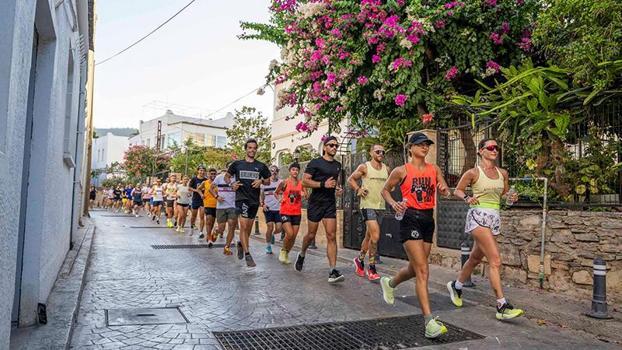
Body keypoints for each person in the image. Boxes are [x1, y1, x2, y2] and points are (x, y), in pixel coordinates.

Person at [379, 132, 451, 339]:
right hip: (410, 218)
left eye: (427, 144)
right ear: (411, 148)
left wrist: (444, 189)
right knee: (422, 270)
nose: (425, 147)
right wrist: (394, 203)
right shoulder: (401, 170)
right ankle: (429, 322)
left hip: (428, 219)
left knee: (415, 268)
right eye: (420, 144)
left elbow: (444, 189)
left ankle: (390, 283)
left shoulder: (434, 169)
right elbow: (386, 190)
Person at [447, 138, 524, 321]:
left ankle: (456, 286)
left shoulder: (502, 173)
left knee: (475, 258)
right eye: (490, 147)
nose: (495, 150)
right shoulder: (473, 172)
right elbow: (457, 190)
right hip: (478, 217)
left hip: (494, 217)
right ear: (481, 151)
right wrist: (467, 198)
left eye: (496, 147)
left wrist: (511, 198)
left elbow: (504, 195)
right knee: (495, 260)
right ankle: (501, 305)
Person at [295, 136, 344, 283]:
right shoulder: (315, 162)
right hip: (315, 203)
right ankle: (302, 253)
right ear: (324, 147)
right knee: (310, 235)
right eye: (331, 145)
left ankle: (332, 271)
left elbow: (335, 184)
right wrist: (323, 184)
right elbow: (305, 181)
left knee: (331, 236)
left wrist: (337, 190)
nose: (334, 148)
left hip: (329, 203)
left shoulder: (337, 165)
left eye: (336, 145)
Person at [226, 139, 271, 267]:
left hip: (254, 200)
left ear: (256, 149)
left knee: (248, 229)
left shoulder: (261, 166)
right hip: (242, 199)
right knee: (244, 227)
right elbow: (227, 177)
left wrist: (261, 181)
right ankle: (247, 254)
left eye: (254, 148)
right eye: (250, 147)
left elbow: (268, 180)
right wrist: (232, 184)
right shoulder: (237, 164)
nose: (252, 150)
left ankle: (241, 243)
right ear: (246, 149)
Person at [348, 144, 389, 281]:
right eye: (378, 151)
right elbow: (351, 179)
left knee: (369, 236)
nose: (381, 153)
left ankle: (359, 260)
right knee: (376, 236)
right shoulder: (364, 167)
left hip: (381, 206)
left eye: (383, 152)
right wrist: (358, 190)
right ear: (371, 152)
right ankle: (371, 268)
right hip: (367, 206)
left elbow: (391, 185)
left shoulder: (386, 169)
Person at [276, 163, 306, 264]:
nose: (295, 172)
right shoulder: (284, 182)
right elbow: (276, 192)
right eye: (293, 169)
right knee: (289, 233)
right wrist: (280, 199)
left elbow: (306, 195)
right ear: (290, 171)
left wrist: (304, 194)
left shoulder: (301, 183)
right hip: (285, 211)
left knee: (293, 237)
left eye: (297, 170)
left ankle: (287, 253)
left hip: (296, 212)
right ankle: (283, 250)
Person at [211, 168, 238, 255]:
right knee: (221, 228)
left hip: (232, 206)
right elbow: (211, 189)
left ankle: (227, 247)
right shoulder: (219, 177)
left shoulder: (237, 178)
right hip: (221, 206)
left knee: (231, 226)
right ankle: (216, 231)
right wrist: (216, 197)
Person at [260, 165, 282, 255]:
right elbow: (261, 195)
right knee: (270, 226)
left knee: (279, 228)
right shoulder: (264, 183)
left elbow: (285, 192)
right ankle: (268, 246)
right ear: (269, 172)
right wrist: (262, 204)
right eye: (272, 171)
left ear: (277, 172)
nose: (274, 172)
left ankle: (273, 234)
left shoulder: (281, 182)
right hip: (268, 208)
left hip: (279, 209)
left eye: (275, 171)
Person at [198, 168, 218, 243]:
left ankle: (210, 234)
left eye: (214, 174)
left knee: (212, 222)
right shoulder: (205, 182)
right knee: (208, 220)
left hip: (217, 205)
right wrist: (201, 195)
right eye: (211, 174)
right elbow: (198, 189)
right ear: (208, 174)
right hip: (207, 204)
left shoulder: (218, 183)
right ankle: (209, 237)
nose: (213, 175)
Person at [189, 166, 207, 233]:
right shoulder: (194, 179)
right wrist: (196, 190)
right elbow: (189, 188)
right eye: (201, 170)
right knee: (194, 216)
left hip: (203, 200)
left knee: (202, 216)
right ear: (198, 171)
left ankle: (201, 232)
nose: (202, 172)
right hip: (195, 199)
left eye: (203, 170)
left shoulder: (206, 180)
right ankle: (191, 227)